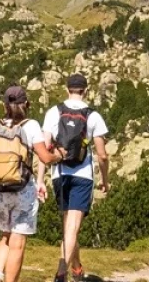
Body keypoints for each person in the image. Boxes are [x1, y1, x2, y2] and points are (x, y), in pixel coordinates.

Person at [0, 86, 58, 282]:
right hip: (22, 189)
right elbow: (45, 158)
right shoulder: (31, 125)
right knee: (18, 241)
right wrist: (60, 154)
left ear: (4, 105)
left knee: (5, 235)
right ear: (27, 104)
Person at [43, 74, 110, 282]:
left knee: (68, 227)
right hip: (82, 175)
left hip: (59, 173)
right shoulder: (93, 115)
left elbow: (46, 146)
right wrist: (105, 180)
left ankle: (77, 269)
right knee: (72, 227)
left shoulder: (54, 112)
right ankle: (61, 273)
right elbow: (102, 155)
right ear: (86, 90)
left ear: (67, 89)